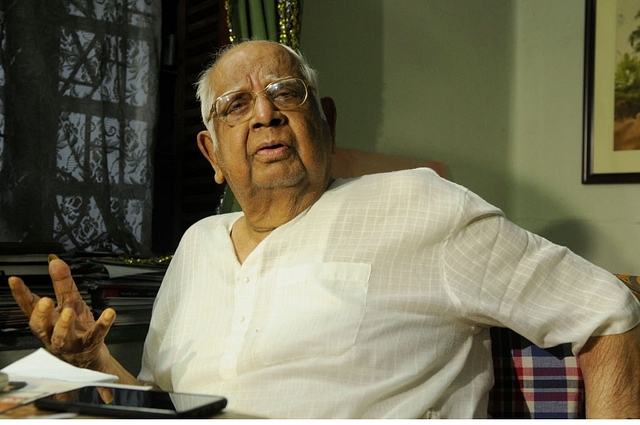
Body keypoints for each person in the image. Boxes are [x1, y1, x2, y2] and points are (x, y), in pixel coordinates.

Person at [8, 40, 640, 419]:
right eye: (235, 105)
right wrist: (96, 366)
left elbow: (608, 311)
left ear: (324, 118)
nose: (264, 114)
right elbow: (166, 403)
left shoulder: (420, 205)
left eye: (285, 92)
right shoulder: (199, 245)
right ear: (211, 153)